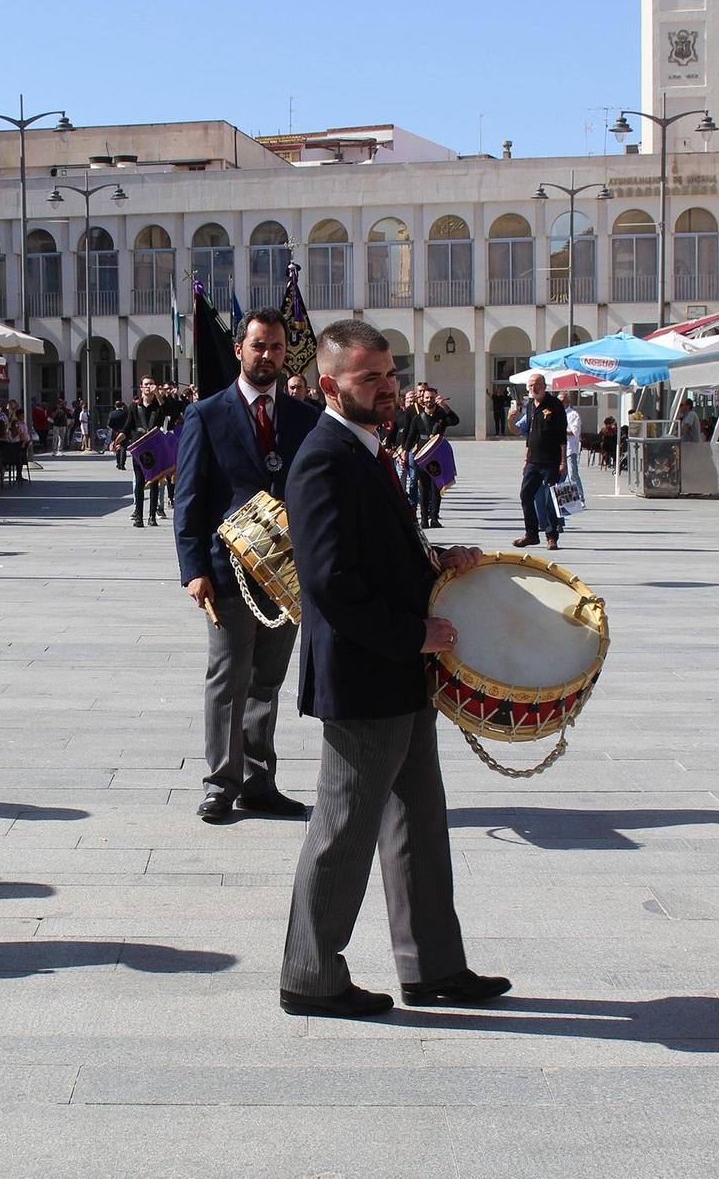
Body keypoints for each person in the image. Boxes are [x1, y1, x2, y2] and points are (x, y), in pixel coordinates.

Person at [278, 319, 509, 1018]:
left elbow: (377, 553)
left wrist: (439, 560)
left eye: (390, 375)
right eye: (368, 379)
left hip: (400, 672)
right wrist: (414, 633)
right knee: (345, 828)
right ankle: (309, 976)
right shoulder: (323, 457)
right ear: (327, 385)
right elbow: (330, 582)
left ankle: (433, 967)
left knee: (419, 822)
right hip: (364, 676)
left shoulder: (369, 451)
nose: (387, 390)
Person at [173, 308, 318, 824]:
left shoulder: (306, 417)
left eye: (277, 347)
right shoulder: (207, 414)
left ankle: (258, 782)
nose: (268, 355)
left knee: (267, 680)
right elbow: (187, 499)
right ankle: (220, 781)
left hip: (287, 574)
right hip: (228, 569)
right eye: (259, 346)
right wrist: (193, 568)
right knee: (227, 675)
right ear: (240, 350)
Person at [510, 373, 568, 550]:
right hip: (533, 461)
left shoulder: (555, 405)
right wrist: (526, 458)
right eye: (530, 386)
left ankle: (552, 536)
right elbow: (527, 435)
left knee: (550, 499)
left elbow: (562, 436)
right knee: (526, 495)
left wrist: (563, 462)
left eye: (536, 385)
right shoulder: (530, 406)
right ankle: (531, 534)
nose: (533, 388)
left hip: (551, 461)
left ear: (544, 386)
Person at [399, 385, 458, 528]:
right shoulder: (417, 419)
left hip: (437, 454)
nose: (429, 400)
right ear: (422, 400)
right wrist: (405, 452)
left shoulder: (442, 415)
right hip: (422, 455)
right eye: (426, 398)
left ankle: (434, 517)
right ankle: (424, 518)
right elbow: (411, 437)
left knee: (437, 487)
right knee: (424, 488)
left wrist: (445, 406)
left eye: (432, 398)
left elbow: (455, 421)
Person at [118, 380, 171, 528]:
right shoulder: (134, 406)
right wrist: (118, 439)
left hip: (154, 447)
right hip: (139, 448)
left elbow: (167, 412)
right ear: (141, 387)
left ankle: (152, 516)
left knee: (154, 481)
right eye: (146, 384)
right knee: (140, 481)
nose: (149, 386)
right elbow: (128, 426)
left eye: (152, 384)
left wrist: (158, 395)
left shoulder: (158, 405)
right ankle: (139, 516)